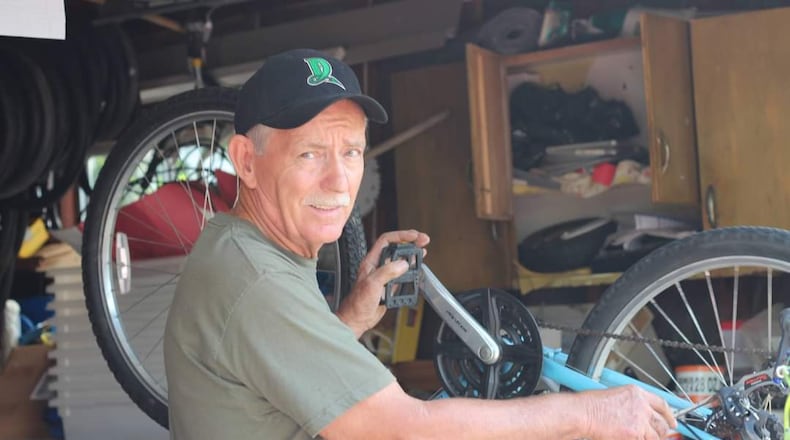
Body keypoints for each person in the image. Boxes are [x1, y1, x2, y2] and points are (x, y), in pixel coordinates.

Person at [163, 48, 677, 440]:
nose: (339, 181)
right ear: (246, 161)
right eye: (309, 154)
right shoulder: (257, 281)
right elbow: (401, 431)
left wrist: (350, 321)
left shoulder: (244, 253)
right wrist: (587, 413)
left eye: (352, 152)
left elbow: (276, 383)